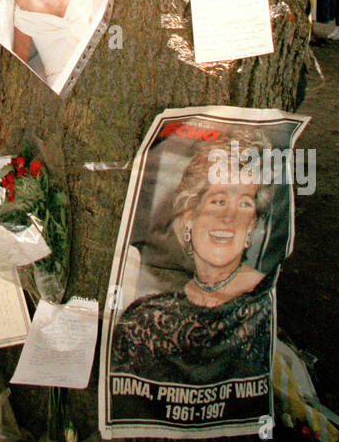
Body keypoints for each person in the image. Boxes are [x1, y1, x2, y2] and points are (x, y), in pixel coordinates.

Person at [111, 139, 277, 385]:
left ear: (251, 225)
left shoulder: (263, 303)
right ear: (189, 216)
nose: (229, 218)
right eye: (218, 201)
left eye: (244, 204)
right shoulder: (146, 317)